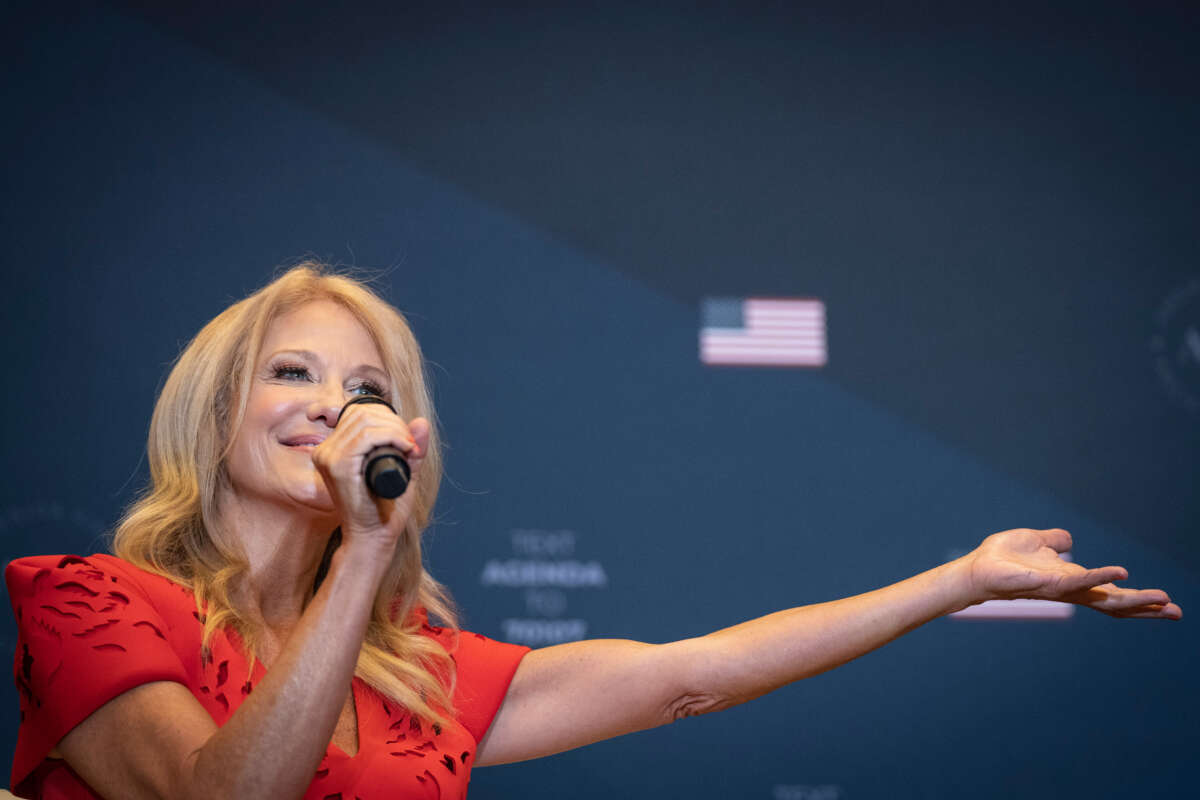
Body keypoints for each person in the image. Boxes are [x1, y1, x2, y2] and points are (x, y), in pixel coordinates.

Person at [5, 263, 1181, 800]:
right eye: (293, 371)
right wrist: (366, 552)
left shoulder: (413, 673)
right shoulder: (89, 602)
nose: (331, 401)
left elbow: (686, 679)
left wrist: (959, 579)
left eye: (365, 385)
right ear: (216, 417)